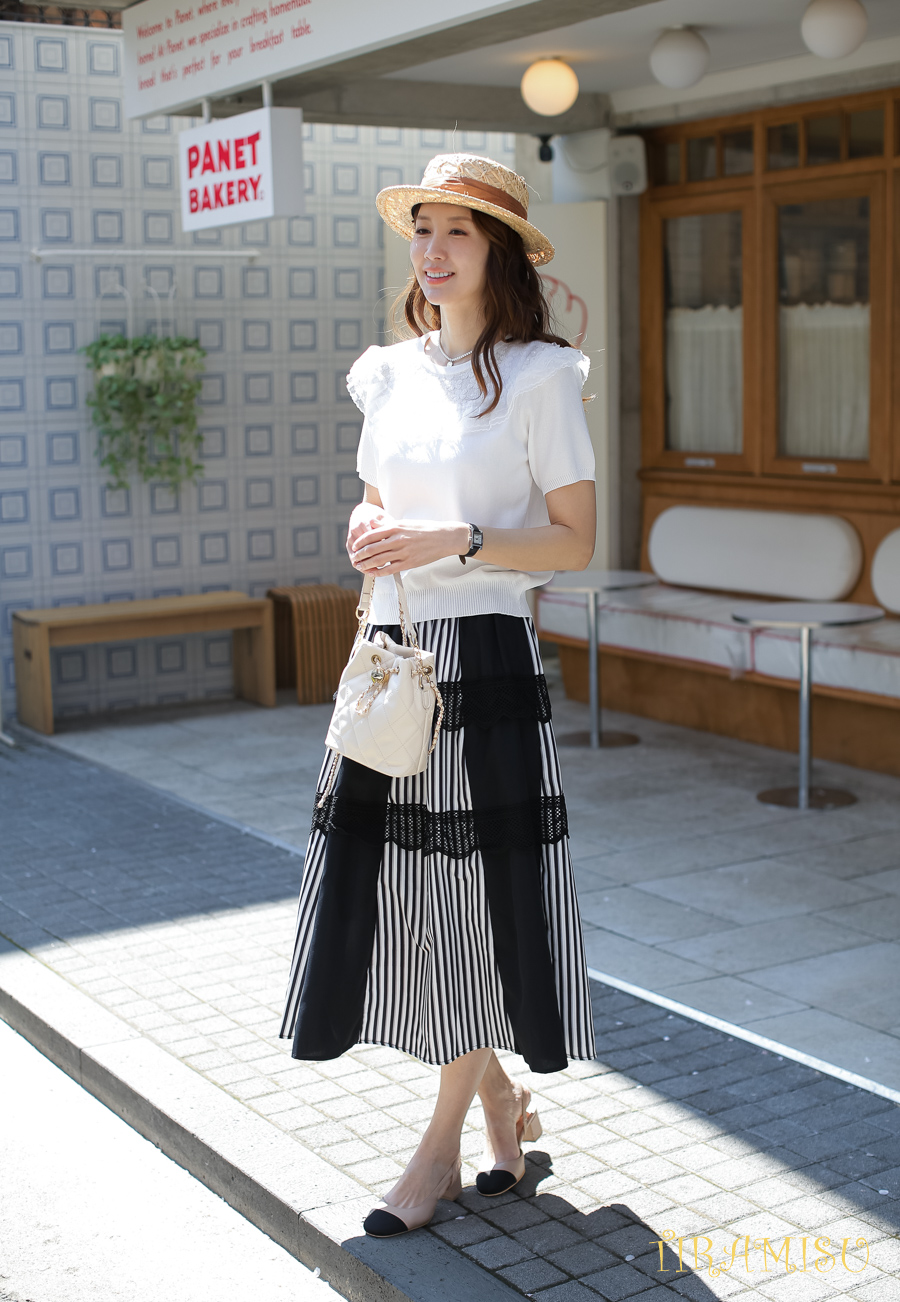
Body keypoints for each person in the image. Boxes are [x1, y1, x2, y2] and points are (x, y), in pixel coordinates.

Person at [279, 152, 597, 1237]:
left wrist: (456, 538)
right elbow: (378, 510)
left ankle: (439, 1151)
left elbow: (574, 540)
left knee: (477, 898)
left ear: (500, 252)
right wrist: (368, 534)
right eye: (422, 228)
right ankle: (502, 1102)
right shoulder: (386, 375)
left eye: (457, 230)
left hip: (486, 658)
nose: (432, 249)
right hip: (393, 653)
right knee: (411, 896)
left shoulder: (543, 377)